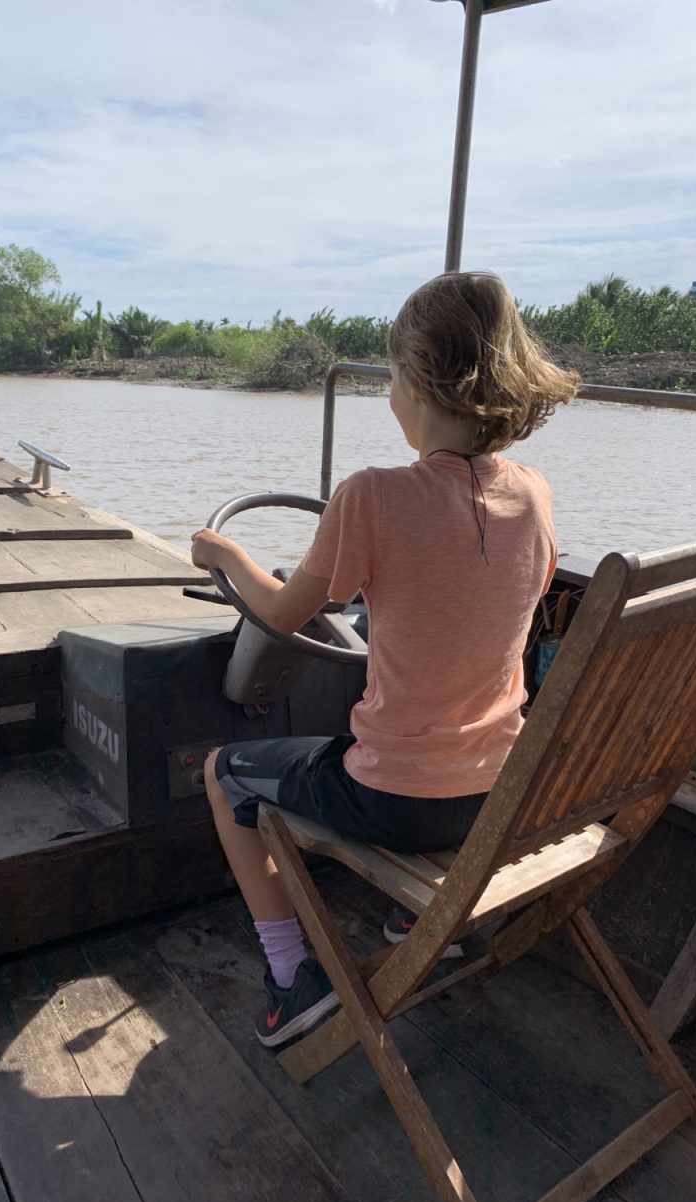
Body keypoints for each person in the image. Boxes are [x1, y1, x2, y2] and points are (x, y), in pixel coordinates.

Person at [191, 270, 578, 1047]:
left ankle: (292, 977)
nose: (390, 395)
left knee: (222, 774)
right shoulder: (535, 494)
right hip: (497, 796)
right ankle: (418, 918)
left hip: (397, 803)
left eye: (393, 377)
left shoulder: (371, 495)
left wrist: (226, 555)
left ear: (420, 382)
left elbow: (281, 612)